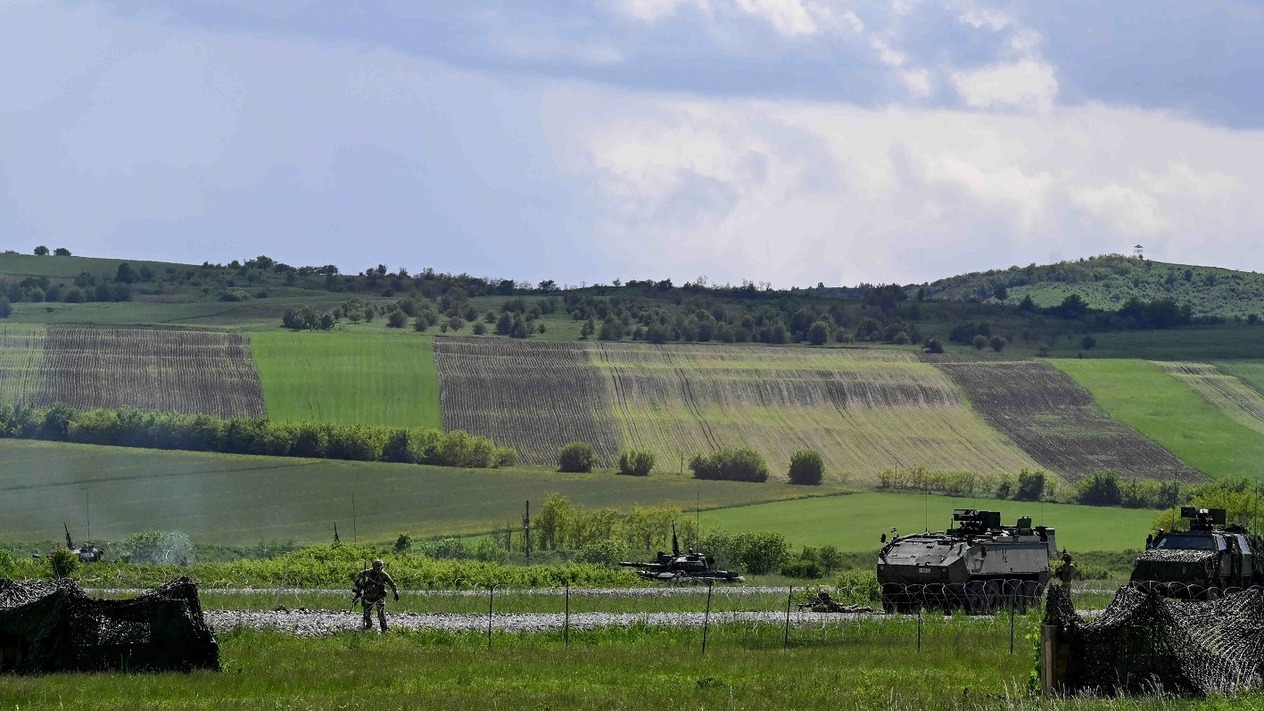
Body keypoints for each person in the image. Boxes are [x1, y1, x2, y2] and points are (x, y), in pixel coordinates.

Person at [353, 559, 399, 632]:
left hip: (379, 596)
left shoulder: (384, 575)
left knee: (380, 613)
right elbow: (357, 576)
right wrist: (357, 582)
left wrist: (396, 593)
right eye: (378, 569)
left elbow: (392, 584)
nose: (379, 570)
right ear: (373, 567)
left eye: (381, 568)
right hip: (369, 595)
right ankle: (368, 627)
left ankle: (384, 630)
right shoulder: (367, 572)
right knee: (366, 613)